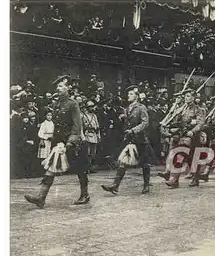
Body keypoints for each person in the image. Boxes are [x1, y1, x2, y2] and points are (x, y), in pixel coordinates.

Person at [24, 75, 90, 208]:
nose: (58, 88)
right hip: (59, 142)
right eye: (57, 86)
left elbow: (77, 125)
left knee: (80, 169)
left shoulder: (73, 104)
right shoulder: (56, 104)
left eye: (61, 86)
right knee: (51, 167)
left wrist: (71, 142)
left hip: (72, 143)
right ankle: (41, 197)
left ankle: (85, 195)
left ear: (68, 88)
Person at [101, 85, 151, 195]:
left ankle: (146, 185)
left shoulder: (141, 107)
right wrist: (124, 118)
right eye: (128, 94)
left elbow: (145, 123)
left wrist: (133, 130)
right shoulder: (128, 108)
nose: (129, 95)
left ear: (137, 96)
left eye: (131, 94)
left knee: (145, 164)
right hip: (130, 140)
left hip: (141, 140)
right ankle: (115, 185)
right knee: (123, 162)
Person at [82, 100, 101, 172]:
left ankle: (90, 167)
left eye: (92, 107)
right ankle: (86, 167)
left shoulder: (94, 115)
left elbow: (97, 125)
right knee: (87, 152)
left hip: (94, 134)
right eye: (90, 107)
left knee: (93, 152)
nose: (91, 108)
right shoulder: (84, 116)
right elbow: (83, 126)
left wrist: (99, 136)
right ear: (87, 108)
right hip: (87, 134)